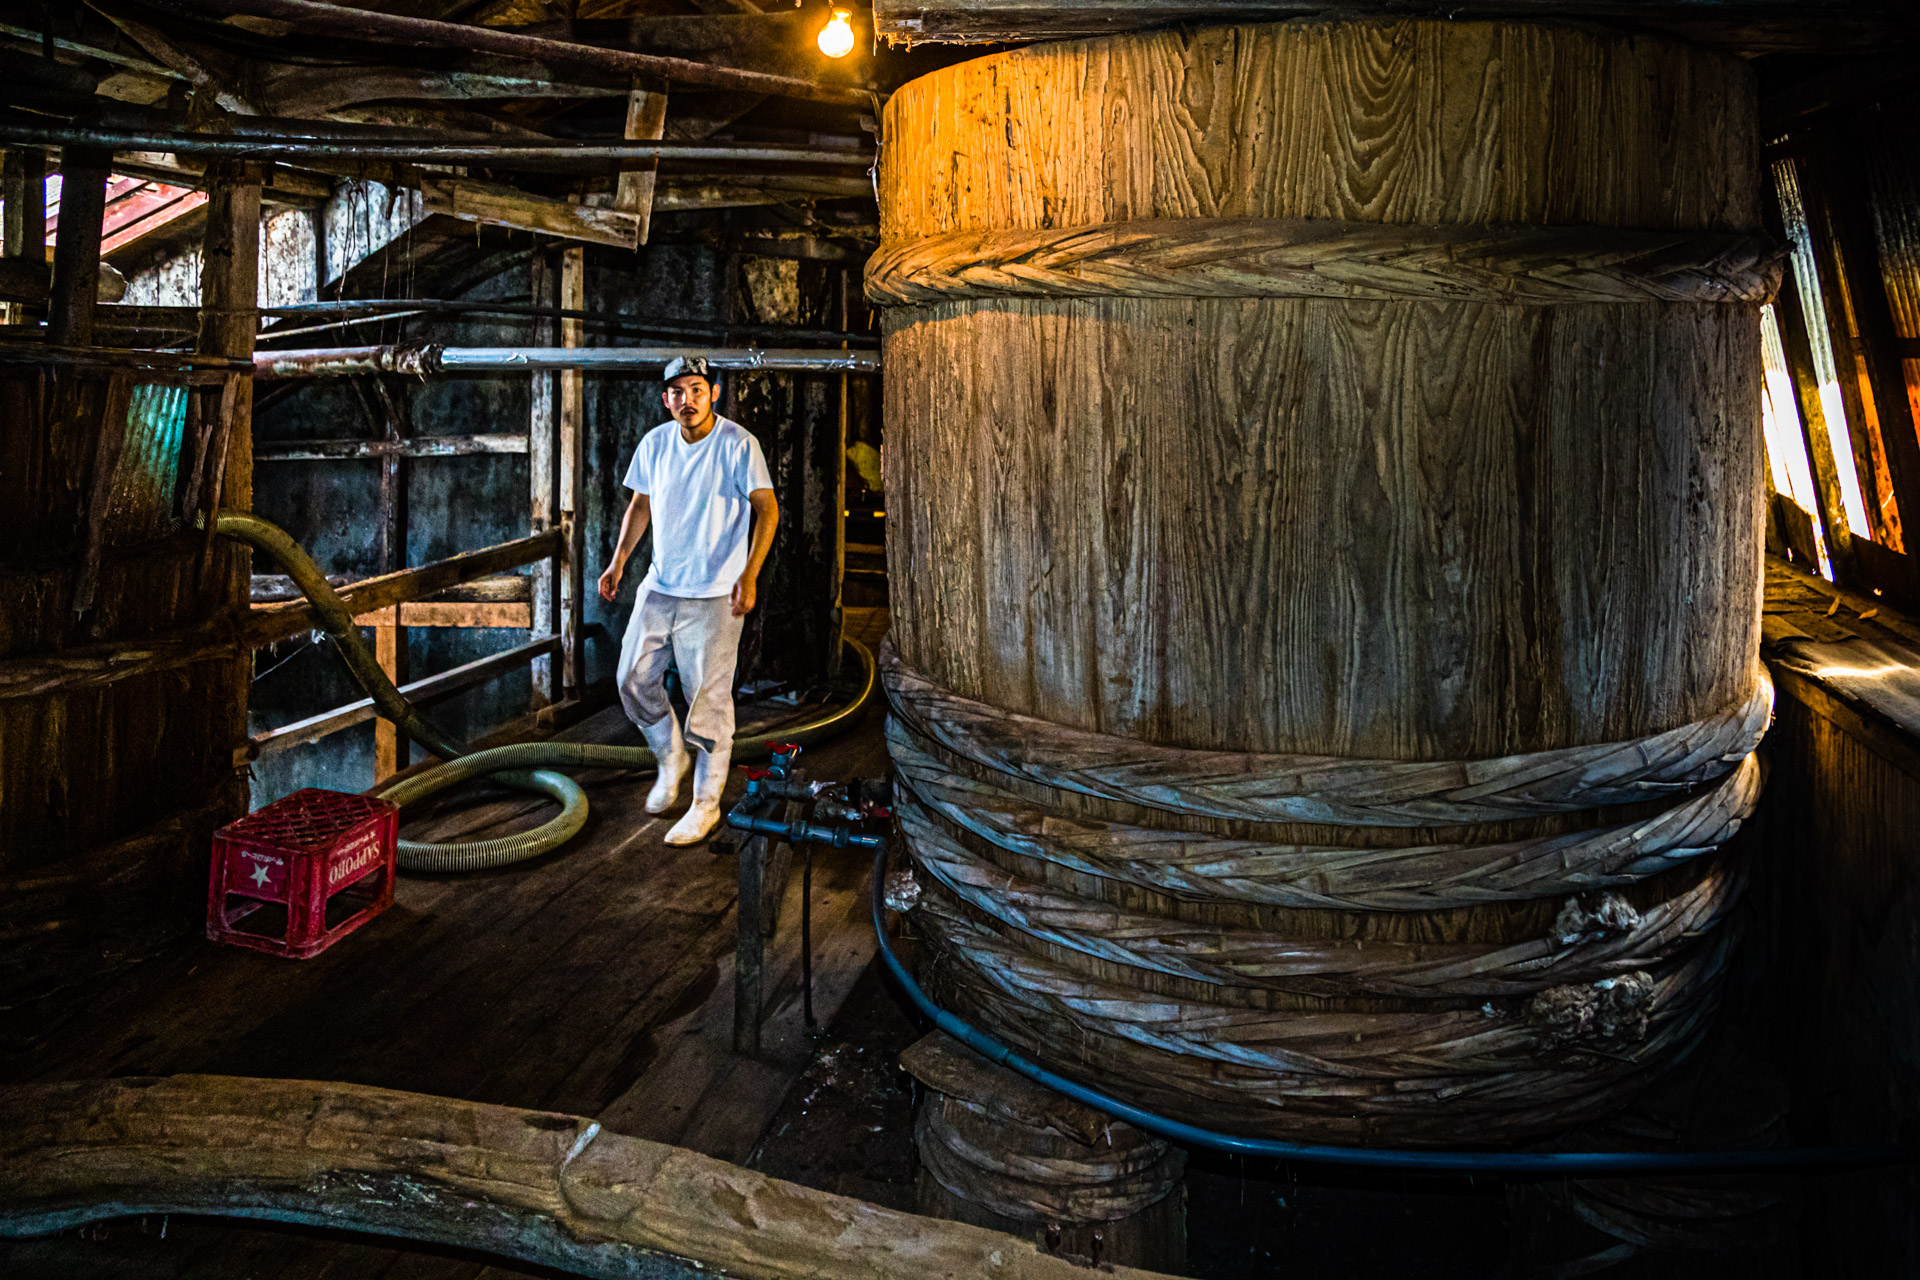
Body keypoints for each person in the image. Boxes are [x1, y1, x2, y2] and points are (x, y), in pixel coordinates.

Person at [600, 356, 778, 845]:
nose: (688, 400)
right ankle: (670, 756)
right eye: (677, 392)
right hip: (661, 585)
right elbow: (641, 504)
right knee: (632, 677)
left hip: (717, 592)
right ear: (666, 400)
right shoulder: (655, 444)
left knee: (709, 701)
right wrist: (618, 563)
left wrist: (750, 573)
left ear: (712, 394)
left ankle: (706, 803)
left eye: (697, 389)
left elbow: (768, 509)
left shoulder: (739, 444)